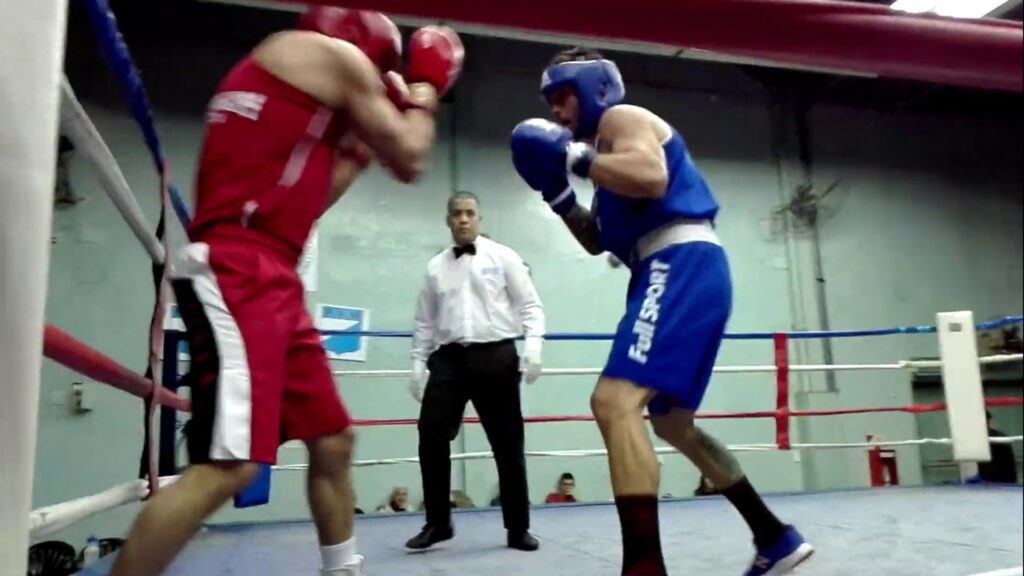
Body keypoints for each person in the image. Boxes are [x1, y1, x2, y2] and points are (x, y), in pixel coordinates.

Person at [109, 8, 464, 576]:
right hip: (240, 271)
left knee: (332, 439)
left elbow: (310, 203)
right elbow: (412, 156)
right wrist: (424, 86)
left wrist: (358, 148)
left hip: (271, 272)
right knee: (231, 466)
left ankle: (342, 569)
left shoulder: (289, 81)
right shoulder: (333, 55)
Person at [509, 47, 814, 576]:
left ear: (595, 89)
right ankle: (774, 534)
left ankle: (644, 568)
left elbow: (651, 176)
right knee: (672, 423)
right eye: (550, 101)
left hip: (679, 262)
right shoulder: (605, 166)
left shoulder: (622, 120)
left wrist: (574, 159)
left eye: (564, 96)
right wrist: (557, 195)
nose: (557, 110)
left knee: (614, 402)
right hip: (670, 269)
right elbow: (598, 240)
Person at [405, 191, 545, 552]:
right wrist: (418, 364)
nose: (464, 219)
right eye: (457, 213)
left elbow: (530, 306)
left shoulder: (504, 256)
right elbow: (424, 322)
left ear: (479, 218)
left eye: (469, 213)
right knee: (430, 435)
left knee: (507, 443)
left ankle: (518, 528)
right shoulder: (435, 267)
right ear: (448, 220)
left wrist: (533, 347)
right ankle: (438, 523)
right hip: (449, 359)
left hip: (496, 356)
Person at [979, 411, 1019, 484]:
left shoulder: (997, 438)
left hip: (1001, 479)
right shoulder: (982, 437)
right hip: (988, 477)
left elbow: (1006, 466)